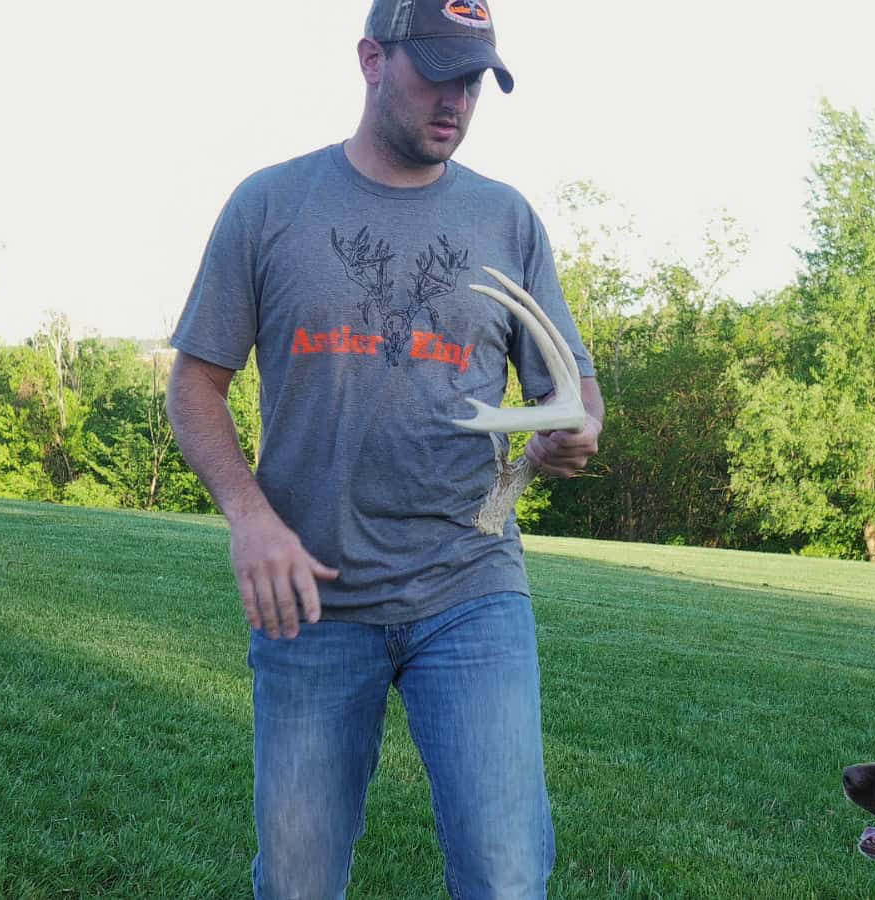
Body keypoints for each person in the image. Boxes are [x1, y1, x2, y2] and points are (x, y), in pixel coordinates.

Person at [164, 1, 604, 896]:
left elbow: (574, 384)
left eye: (474, 78)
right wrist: (249, 518)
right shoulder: (270, 204)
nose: (457, 99)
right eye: (437, 70)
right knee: (297, 879)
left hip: (470, 587)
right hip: (312, 601)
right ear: (372, 58)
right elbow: (193, 386)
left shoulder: (505, 219)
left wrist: (573, 429)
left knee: (508, 871)